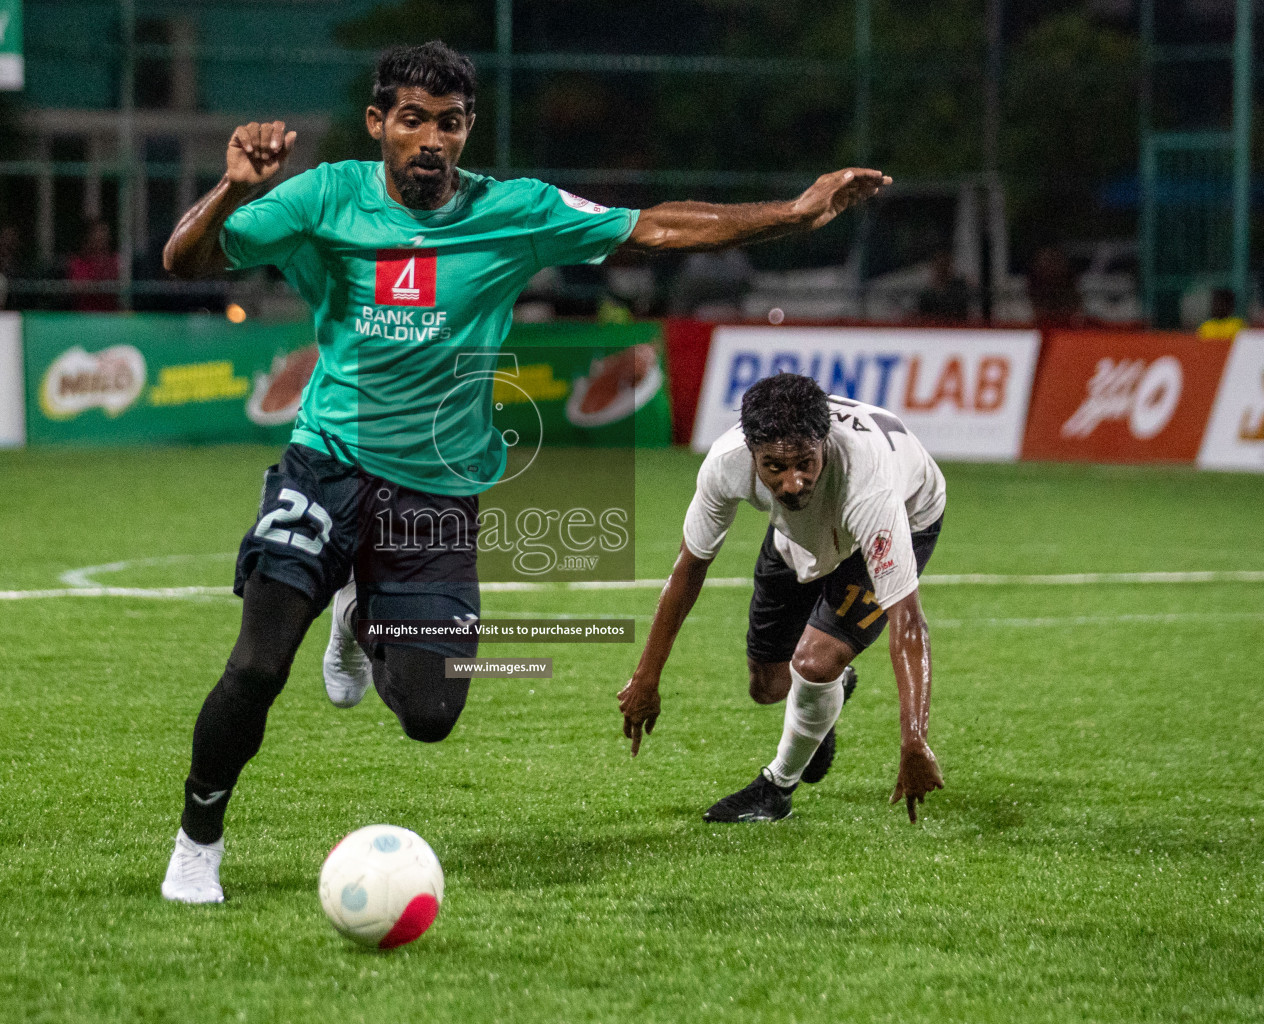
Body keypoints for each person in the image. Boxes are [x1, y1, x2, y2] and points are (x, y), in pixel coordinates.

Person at [158, 40, 890, 902]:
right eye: (413, 120)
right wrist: (234, 189)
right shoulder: (323, 196)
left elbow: (651, 225)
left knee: (432, 716)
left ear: (468, 131)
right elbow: (189, 261)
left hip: (436, 489)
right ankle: (196, 843)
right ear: (378, 124)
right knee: (257, 664)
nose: (432, 140)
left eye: (452, 123)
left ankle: (360, 613)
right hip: (328, 463)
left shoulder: (514, 210)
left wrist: (797, 213)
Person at [617, 373, 945, 824]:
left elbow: (907, 619)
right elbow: (689, 568)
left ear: (824, 442)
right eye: (774, 467)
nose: (792, 483)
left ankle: (775, 790)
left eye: (804, 463)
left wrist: (914, 739)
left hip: (906, 516)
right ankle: (833, 690)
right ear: (751, 452)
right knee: (768, 686)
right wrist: (646, 677)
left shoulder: (869, 485)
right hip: (796, 534)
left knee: (813, 663)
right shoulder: (725, 462)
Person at [66, 219, 119, 312]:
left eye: (104, 235)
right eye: (97, 234)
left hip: (111, 317)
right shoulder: (78, 262)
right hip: (85, 316)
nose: (101, 239)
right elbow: (77, 288)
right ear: (89, 237)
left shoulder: (116, 260)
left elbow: (121, 285)